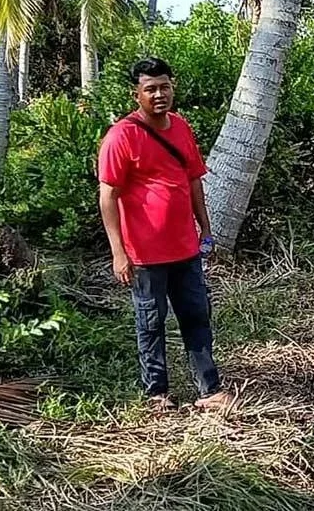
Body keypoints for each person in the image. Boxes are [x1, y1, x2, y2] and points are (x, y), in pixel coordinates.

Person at [97, 57, 233, 413]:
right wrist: (118, 252)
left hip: (185, 247)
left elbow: (193, 180)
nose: (159, 95)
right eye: (150, 89)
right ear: (136, 94)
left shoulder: (181, 128)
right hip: (144, 254)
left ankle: (209, 389)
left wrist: (205, 227)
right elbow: (107, 195)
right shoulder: (121, 137)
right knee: (151, 322)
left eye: (164, 87)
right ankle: (157, 394)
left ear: (173, 87)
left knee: (196, 315)